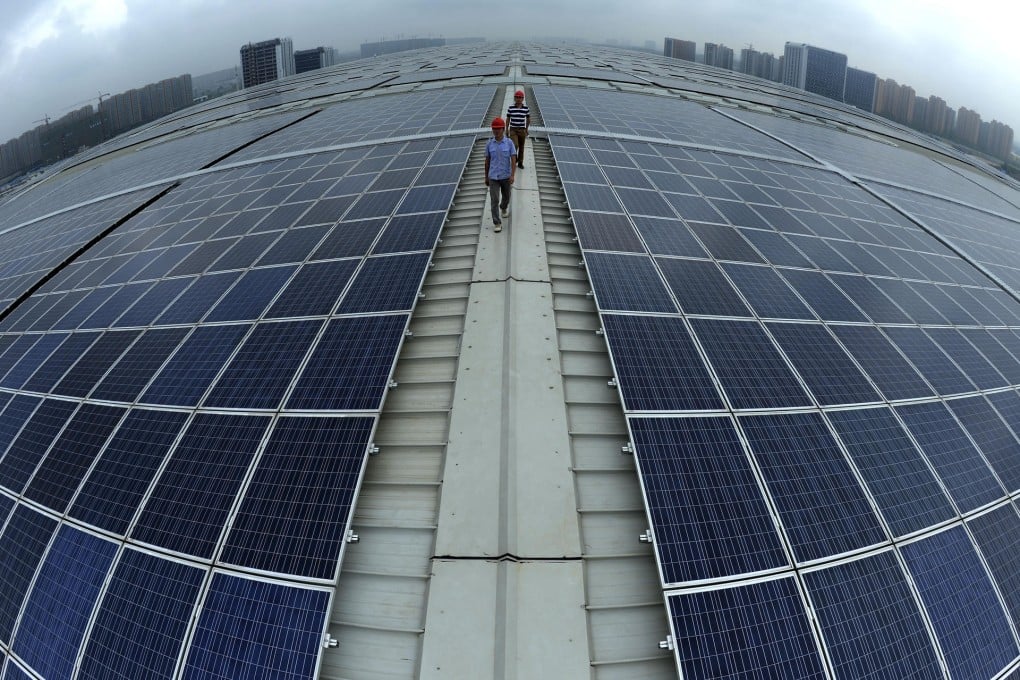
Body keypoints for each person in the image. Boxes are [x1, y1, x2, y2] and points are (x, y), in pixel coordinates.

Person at [484, 117, 516, 232]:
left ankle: (503, 207)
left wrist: (512, 175)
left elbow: (513, 159)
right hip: (493, 177)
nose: (496, 131)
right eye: (494, 129)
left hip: (505, 176)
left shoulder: (509, 143)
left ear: (503, 129)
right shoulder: (489, 144)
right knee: (494, 199)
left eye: (498, 129)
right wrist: (486, 176)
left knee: (507, 196)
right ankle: (497, 222)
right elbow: (487, 161)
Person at [506, 90, 530, 169]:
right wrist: (507, 129)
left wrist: (526, 129)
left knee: (521, 146)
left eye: (520, 97)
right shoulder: (511, 108)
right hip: (513, 129)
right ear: (514, 98)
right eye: (517, 97)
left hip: (522, 129)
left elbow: (528, 118)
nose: (518, 99)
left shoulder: (526, 108)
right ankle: (514, 158)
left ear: (523, 99)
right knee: (515, 145)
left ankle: (520, 162)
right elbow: (508, 118)